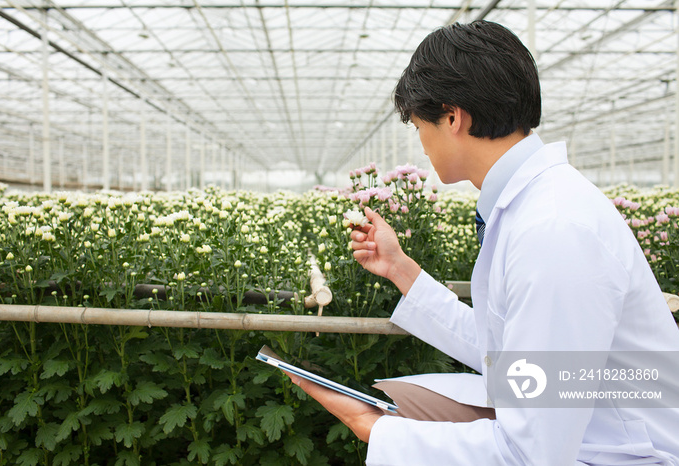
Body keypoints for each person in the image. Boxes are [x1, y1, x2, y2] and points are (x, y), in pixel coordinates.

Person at [288, 20, 679, 465]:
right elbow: (506, 353)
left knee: (401, 412)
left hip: (619, 454)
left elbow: (533, 455)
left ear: (453, 117)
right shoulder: (536, 207)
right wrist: (400, 269)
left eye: (420, 126)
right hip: (584, 431)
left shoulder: (553, 230)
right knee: (410, 396)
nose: (422, 145)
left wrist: (376, 430)